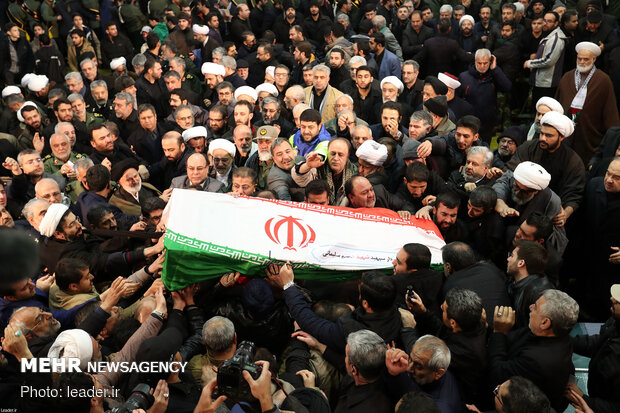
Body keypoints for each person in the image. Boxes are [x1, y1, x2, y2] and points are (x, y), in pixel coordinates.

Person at [489, 289, 579, 412]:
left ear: (545, 323)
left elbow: (496, 373)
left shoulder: (536, 360)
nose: (530, 307)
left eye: (535, 307)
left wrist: (498, 332)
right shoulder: (557, 335)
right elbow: (514, 338)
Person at [506, 111, 585, 228]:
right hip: (517, 202)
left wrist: (565, 213)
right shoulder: (528, 147)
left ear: (561, 137)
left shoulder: (573, 161)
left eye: (549, 136)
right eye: (541, 133)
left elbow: (574, 194)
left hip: (549, 213)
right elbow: (511, 170)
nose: (542, 138)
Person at [556, 41, 620, 164]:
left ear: (594, 59)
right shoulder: (567, 77)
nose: (582, 62)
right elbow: (558, 103)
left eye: (586, 59)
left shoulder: (603, 80)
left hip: (590, 137)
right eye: (579, 58)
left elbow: (610, 113)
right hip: (566, 136)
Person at [568, 284, 620, 413]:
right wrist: (567, 342)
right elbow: (601, 342)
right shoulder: (616, 322)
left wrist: (584, 399)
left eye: (618, 301)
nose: (612, 299)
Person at [292, 138, 358, 205]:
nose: (336, 158)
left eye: (340, 155)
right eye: (333, 154)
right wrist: (307, 166)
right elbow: (300, 180)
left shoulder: (355, 173)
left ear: (347, 156)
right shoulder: (319, 165)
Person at [506, 240, 555, 328]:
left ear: (521, 263)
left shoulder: (538, 294)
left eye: (512, 256)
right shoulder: (515, 281)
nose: (508, 259)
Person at [391, 243, 444, 315]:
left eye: (399, 262)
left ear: (413, 271)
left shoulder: (396, 287)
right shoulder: (440, 279)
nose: (393, 262)